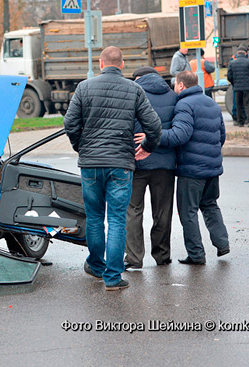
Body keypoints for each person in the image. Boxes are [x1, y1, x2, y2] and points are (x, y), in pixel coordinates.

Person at [64, 46, 161, 291]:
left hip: (91, 164)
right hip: (120, 163)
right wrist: (147, 146)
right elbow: (154, 125)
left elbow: (69, 123)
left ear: (100, 63)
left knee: (95, 217)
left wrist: (81, 147)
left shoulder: (84, 87)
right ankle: (113, 278)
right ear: (122, 63)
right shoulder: (134, 89)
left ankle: (96, 266)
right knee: (117, 220)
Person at [136, 71, 230, 265]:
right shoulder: (211, 103)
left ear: (181, 86)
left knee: (188, 212)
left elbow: (180, 135)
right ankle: (222, 243)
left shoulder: (184, 104)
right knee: (210, 205)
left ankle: (196, 255)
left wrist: (152, 137)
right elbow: (222, 135)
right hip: (212, 167)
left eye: (175, 85)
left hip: (191, 170)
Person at [123, 67, 178, 270]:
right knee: (163, 211)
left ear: (138, 78)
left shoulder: (133, 93)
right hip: (165, 164)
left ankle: (134, 258)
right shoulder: (173, 96)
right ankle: (162, 255)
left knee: (133, 211)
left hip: (136, 161)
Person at [227, 45, 249, 127]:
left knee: (238, 104)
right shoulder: (248, 62)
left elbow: (229, 76)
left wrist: (234, 83)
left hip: (237, 87)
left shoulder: (232, 63)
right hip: (247, 87)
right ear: (245, 53)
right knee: (248, 104)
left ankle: (240, 122)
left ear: (237, 53)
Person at [231, 43, 249, 118]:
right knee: (247, 102)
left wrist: (233, 82)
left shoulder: (233, 58)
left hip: (236, 84)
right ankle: (246, 118)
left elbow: (230, 73)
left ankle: (238, 118)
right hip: (246, 84)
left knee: (237, 102)